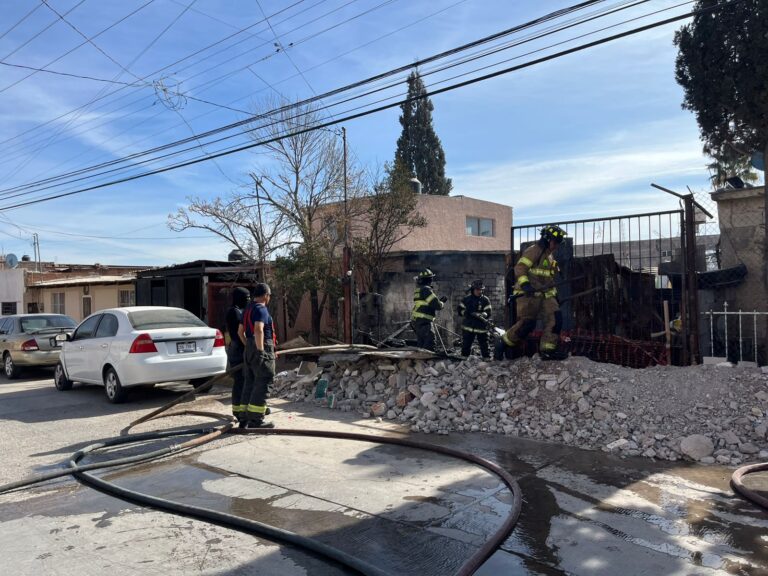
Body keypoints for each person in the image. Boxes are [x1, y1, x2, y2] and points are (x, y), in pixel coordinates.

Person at [495, 225, 568, 361]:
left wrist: (555, 295)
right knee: (527, 325)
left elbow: (548, 279)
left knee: (556, 319)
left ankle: (547, 351)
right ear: (547, 239)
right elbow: (520, 267)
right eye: (555, 242)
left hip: (545, 294)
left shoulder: (549, 256)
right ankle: (502, 343)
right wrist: (526, 284)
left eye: (558, 243)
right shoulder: (534, 251)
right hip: (527, 294)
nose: (556, 246)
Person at [237, 283, 276, 429]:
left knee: (250, 381)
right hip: (262, 345)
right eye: (269, 295)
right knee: (264, 380)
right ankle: (256, 420)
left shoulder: (247, 309)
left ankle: (244, 417)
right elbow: (259, 329)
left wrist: (249, 346)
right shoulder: (261, 308)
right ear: (266, 295)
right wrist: (260, 351)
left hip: (249, 348)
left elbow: (240, 332)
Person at [226, 287, 250, 425]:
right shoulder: (234, 312)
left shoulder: (241, 310)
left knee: (246, 381)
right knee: (240, 381)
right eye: (245, 298)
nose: (247, 301)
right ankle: (238, 412)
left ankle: (246, 410)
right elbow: (237, 335)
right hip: (237, 350)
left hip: (241, 349)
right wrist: (248, 346)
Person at [410, 268, 447, 352]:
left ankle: (420, 362)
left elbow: (427, 304)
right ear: (430, 279)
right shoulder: (426, 289)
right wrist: (442, 302)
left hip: (418, 321)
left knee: (421, 342)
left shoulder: (419, 290)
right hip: (424, 321)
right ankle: (427, 361)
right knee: (430, 342)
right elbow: (437, 305)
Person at [458, 279, 492, 359]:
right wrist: (467, 313)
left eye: (481, 290)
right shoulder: (466, 299)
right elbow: (460, 310)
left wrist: (484, 314)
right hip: (468, 325)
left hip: (481, 326)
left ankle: (486, 358)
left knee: (484, 342)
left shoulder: (485, 300)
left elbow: (488, 311)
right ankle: (464, 357)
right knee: (466, 342)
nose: (479, 291)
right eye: (477, 289)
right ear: (473, 289)